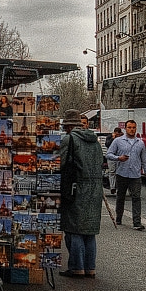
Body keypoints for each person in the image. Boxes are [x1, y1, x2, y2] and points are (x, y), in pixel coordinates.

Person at [59, 117, 105, 277]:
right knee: (90, 231)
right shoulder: (95, 141)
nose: (65, 130)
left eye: (65, 127)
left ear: (70, 126)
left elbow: (60, 162)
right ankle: (90, 268)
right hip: (95, 189)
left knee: (74, 229)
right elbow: (100, 162)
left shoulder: (69, 139)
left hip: (76, 188)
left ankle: (77, 267)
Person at [105, 119, 146, 229]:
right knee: (121, 197)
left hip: (135, 175)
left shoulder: (140, 143)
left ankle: (137, 222)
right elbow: (109, 154)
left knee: (136, 197)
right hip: (122, 173)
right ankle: (119, 217)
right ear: (125, 129)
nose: (131, 129)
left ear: (136, 129)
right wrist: (118, 158)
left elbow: (144, 160)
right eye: (129, 127)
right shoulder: (118, 141)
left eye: (133, 127)